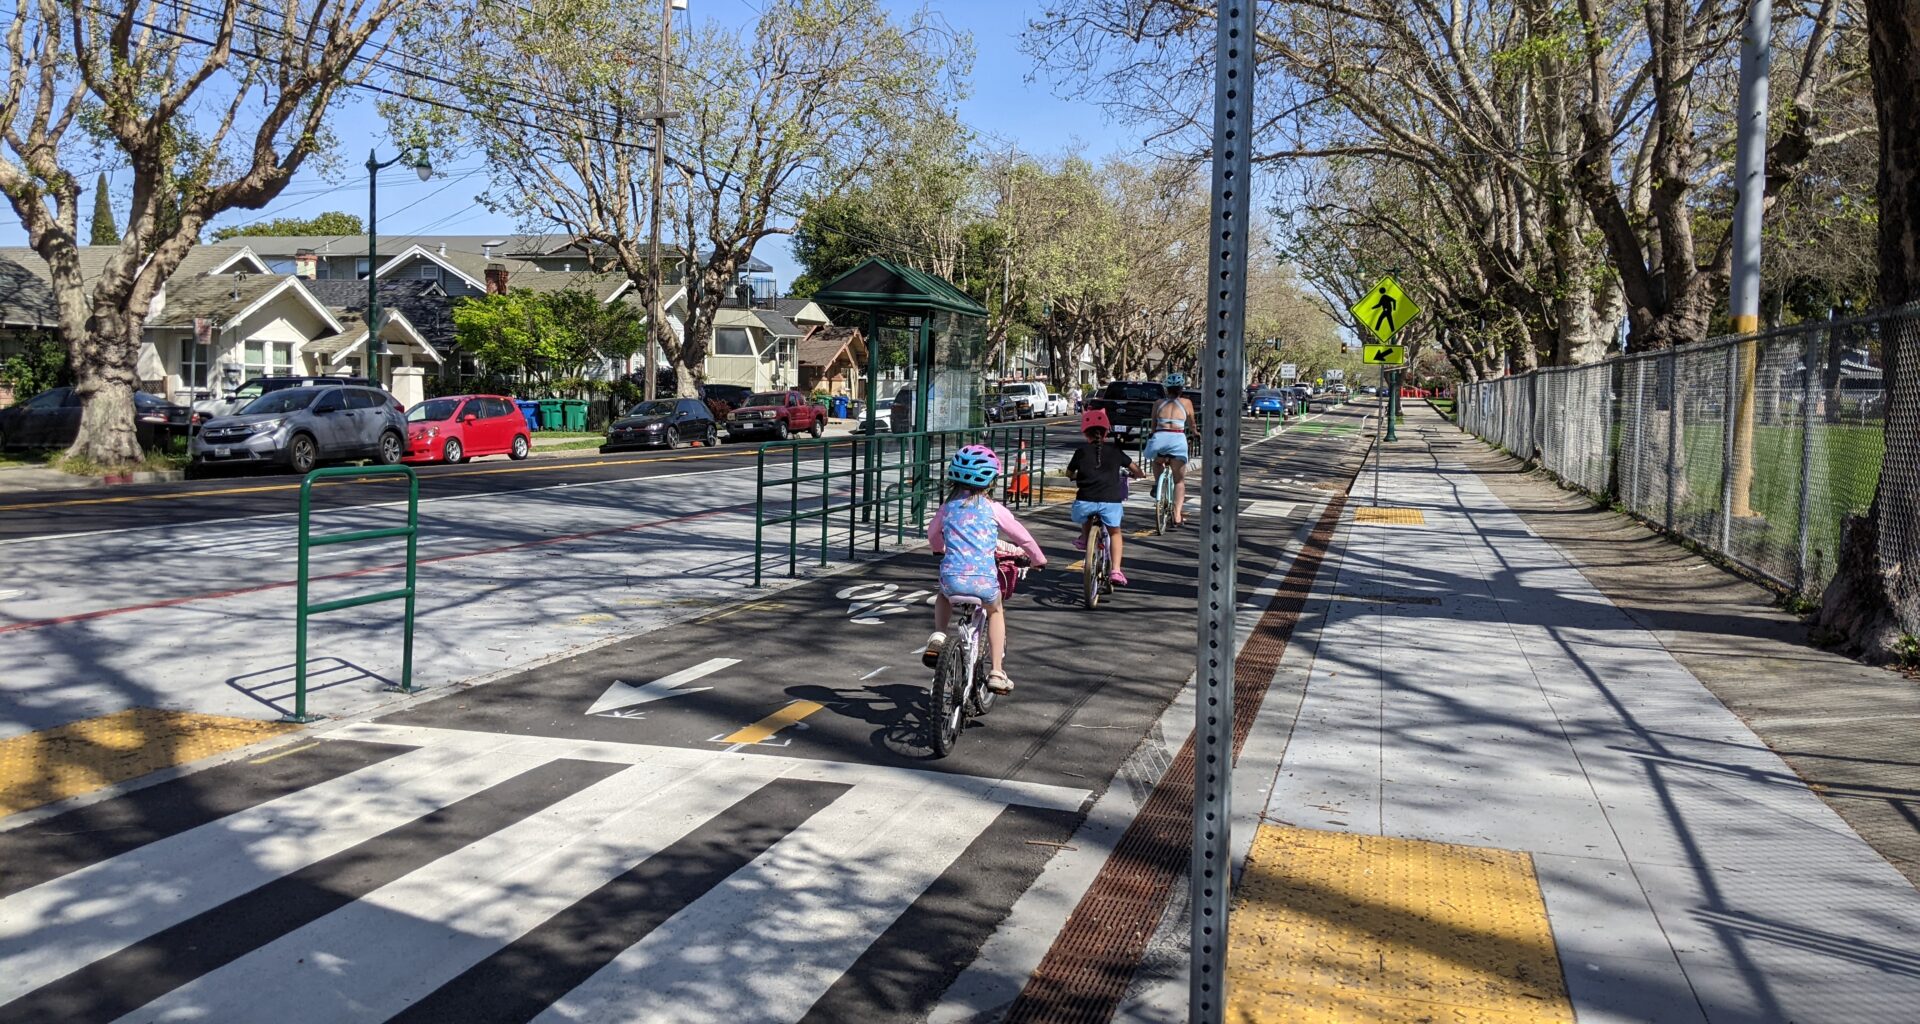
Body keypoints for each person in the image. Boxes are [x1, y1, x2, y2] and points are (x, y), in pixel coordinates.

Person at [924, 444, 1047, 694]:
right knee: (995, 611)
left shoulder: (947, 509)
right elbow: (1022, 538)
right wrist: (1037, 559)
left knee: (943, 595)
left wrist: (939, 548)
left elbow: (933, 533)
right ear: (991, 481)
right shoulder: (994, 509)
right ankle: (997, 671)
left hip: (951, 580)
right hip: (983, 582)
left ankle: (938, 635)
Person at [1068, 408, 1143, 585]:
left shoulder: (1080, 451)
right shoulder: (1116, 451)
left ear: (1085, 433)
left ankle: (1085, 539)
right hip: (1110, 502)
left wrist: (1075, 476)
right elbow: (1135, 469)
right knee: (1115, 533)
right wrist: (1139, 475)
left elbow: (1069, 473)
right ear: (1106, 432)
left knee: (1087, 513)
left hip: (1084, 502)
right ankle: (1116, 571)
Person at [1140, 374, 1196, 526]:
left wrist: (1153, 434)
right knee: (1179, 481)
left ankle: (1158, 484)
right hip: (1177, 440)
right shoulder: (1186, 403)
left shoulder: (1158, 403)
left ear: (1167, 389)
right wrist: (1196, 433)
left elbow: (1153, 425)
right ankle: (1177, 516)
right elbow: (1192, 424)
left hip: (1160, 438)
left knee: (1157, 462)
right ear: (1181, 389)